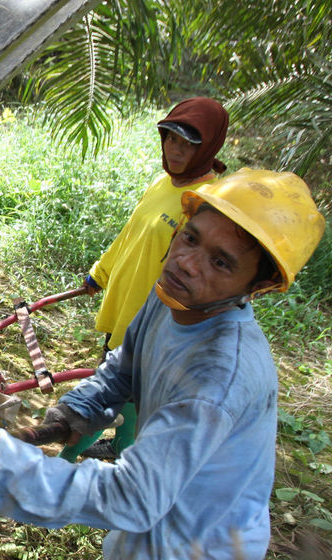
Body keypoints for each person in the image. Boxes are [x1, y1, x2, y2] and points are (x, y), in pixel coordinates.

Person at [0, 168, 326, 559]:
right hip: (152, 524)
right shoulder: (172, 297)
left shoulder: (219, 375)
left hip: (202, 545)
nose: (188, 262)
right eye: (190, 238)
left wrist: (5, 464)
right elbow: (125, 365)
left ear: (256, 287)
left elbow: (134, 496)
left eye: (221, 263)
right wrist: (82, 409)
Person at [63, 96, 230, 462]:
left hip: (154, 323)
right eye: (171, 139)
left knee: (107, 392)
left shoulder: (206, 204)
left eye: (189, 144)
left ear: (210, 147)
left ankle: (65, 461)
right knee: (127, 391)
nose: (176, 151)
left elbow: (198, 281)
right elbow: (131, 235)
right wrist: (100, 273)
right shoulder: (163, 183)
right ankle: (122, 448)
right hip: (127, 305)